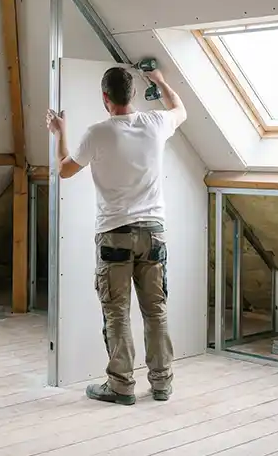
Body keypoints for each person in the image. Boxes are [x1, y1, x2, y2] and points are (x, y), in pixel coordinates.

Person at [45, 65, 186, 406]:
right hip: (154, 234)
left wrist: (58, 132)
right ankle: (162, 383)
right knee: (156, 311)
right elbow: (181, 110)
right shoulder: (155, 124)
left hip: (114, 235)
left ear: (105, 98)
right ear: (133, 95)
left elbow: (64, 169)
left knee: (117, 313)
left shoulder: (98, 133)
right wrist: (162, 82)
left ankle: (122, 386)